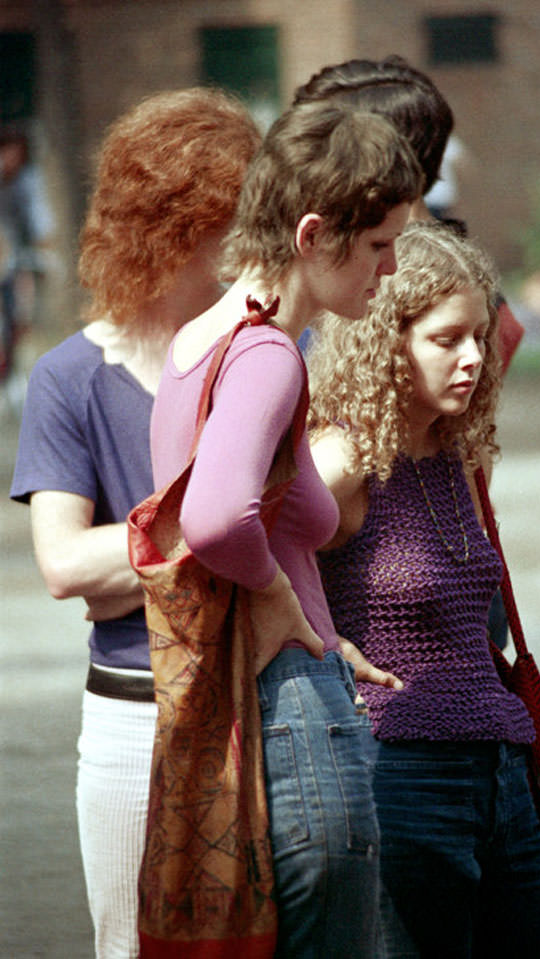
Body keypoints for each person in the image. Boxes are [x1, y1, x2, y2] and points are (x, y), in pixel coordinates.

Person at [148, 101, 422, 957]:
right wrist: (277, 595)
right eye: (378, 245)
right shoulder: (267, 355)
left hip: (254, 705)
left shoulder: (205, 338)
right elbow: (218, 516)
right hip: (293, 715)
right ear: (313, 234)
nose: (388, 270)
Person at [10, 87, 261, 959]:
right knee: (130, 945)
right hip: (130, 714)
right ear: (187, 222)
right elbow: (64, 564)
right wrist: (217, 522)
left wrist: (150, 545)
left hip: (265, 704)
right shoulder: (69, 377)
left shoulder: (267, 352)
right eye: (240, 215)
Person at [308, 220, 540, 958]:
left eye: (481, 338)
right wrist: (319, 635)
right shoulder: (341, 460)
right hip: (401, 773)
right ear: (389, 339)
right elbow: (227, 552)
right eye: (447, 338)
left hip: (502, 771)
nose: (474, 359)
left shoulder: (456, 449)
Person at [293, 54, 521, 655]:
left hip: (444, 591)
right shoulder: (333, 272)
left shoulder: (433, 284)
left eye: (323, 142)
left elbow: (466, 460)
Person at [0, 123, 56, 384]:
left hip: (18, 262)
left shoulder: (29, 181)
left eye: (16, 152)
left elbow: (41, 221)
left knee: (22, 314)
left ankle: (16, 373)